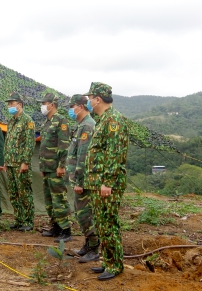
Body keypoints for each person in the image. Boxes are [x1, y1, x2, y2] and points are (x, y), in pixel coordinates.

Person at [83, 82, 129, 281]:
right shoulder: (103, 119)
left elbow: (115, 155)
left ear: (98, 99)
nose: (89, 102)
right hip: (98, 182)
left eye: (90, 98)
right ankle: (108, 261)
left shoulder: (113, 121)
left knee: (108, 224)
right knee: (102, 224)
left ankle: (115, 265)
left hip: (106, 183)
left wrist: (107, 183)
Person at [65, 94, 99, 263]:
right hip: (79, 179)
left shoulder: (87, 126)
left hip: (84, 181)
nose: (71, 110)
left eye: (72, 106)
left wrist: (79, 181)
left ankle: (95, 247)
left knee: (85, 215)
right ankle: (88, 244)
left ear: (80, 106)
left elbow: (84, 157)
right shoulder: (81, 125)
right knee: (80, 213)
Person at [37, 93, 71, 242]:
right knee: (49, 200)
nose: (42, 106)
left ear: (52, 104)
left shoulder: (61, 121)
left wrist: (61, 166)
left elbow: (64, 145)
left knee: (59, 200)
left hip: (56, 168)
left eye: (44, 103)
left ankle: (66, 230)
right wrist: (42, 167)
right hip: (47, 167)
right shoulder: (46, 123)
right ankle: (55, 227)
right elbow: (43, 147)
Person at [3, 92, 35, 231]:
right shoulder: (11, 122)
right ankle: (19, 219)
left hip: (20, 164)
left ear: (20, 105)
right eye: (8, 104)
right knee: (14, 194)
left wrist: (25, 162)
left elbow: (29, 143)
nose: (9, 106)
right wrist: (5, 160)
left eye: (12, 104)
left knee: (24, 193)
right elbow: (8, 143)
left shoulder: (27, 121)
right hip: (10, 163)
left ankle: (28, 221)